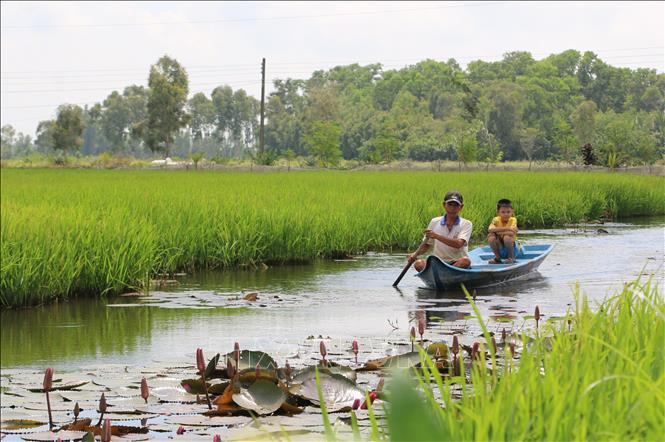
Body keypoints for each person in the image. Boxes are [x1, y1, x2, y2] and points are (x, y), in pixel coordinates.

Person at [407, 191, 472, 271]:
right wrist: (414, 254)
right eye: (450, 204)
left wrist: (436, 236)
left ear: (461, 207)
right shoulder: (434, 222)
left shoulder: (466, 224)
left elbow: (459, 244)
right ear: (444, 205)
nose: (452, 208)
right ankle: (444, 274)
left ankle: (446, 274)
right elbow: (426, 244)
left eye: (456, 205)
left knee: (465, 261)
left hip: (457, 263)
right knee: (418, 263)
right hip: (439, 263)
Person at [487, 198, 518, 264]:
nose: (506, 214)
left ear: (512, 212)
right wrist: (508, 228)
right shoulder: (496, 219)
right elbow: (490, 229)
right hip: (500, 246)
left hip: (512, 249)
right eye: (503, 212)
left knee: (507, 237)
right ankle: (498, 258)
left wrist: (496, 232)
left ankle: (511, 258)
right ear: (498, 212)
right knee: (490, 236)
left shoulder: (513, 220)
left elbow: (511, 233)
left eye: (508, 212)